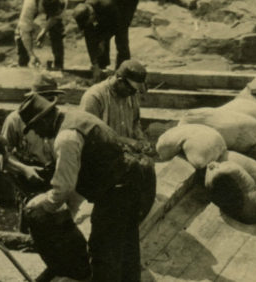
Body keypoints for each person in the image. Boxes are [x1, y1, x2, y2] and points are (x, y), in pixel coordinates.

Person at [19, 93, 155, 282]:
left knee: (101, 250)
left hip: (118, 189)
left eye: (36, 127)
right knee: (127, 245)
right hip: (134, 180)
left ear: (45, 119)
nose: (38, 134)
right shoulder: (77, 117)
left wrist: (42, 206)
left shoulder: (66, 139)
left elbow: (63, 189)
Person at [1, 73, 82, 232]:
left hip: (55, 176)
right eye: (44, 97)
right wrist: (24, 170)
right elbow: (2, 156)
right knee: (31, 223)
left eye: (52, 97)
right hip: (29, 179)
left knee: (62, 227)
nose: (48, 102)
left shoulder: (61, 119)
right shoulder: (15, 120)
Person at [72, 0, 140, 81]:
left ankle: (123, 72)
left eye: (89, 22)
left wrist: (103, 39)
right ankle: (102, 67)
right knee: (99, 35)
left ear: (91, 15)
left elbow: (117, 26)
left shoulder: (107, 4)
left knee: (121, 37)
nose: (89, 24)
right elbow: (89, 37)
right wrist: (94, 64)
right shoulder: (87, 9)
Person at [79, 59, 151, 152]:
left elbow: (135, 123)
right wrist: (125, 141)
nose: (133, 94)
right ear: (119, 80)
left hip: (124, 152)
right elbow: (89, 134)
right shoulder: (94, 97)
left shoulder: (130, 95)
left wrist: (141, 139)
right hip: (99, 154)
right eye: (132, 90)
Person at [16, 0, 69, 70]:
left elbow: (56, 18)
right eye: (45, 12)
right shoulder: (30, 5)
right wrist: (31, 54)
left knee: (57, 29)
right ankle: (23, 62)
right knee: (20, 32)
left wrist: (44, 31)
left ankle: (59, 64)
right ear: (40, 7)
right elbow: (24, 30)